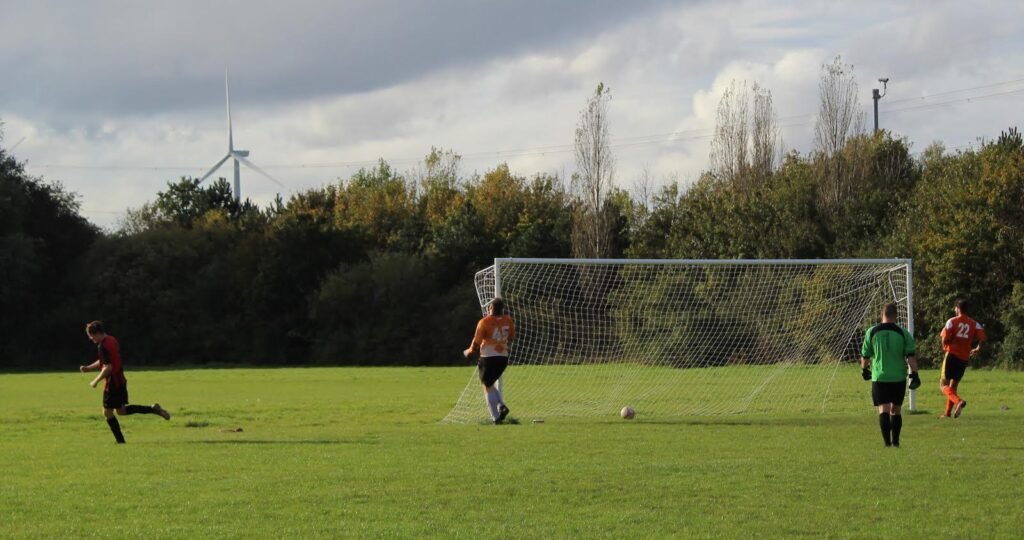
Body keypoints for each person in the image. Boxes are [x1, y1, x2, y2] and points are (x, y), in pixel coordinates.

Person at [79, 321, 171, 443]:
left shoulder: (102, 346)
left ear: (97, 333)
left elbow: (108, 367)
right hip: (121, 380)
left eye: (91, 336)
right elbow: (104, 361)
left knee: (107, 412)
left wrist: (95, 381)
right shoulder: (112, 339)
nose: (91, 339)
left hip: (112, 383)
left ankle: (120, 442)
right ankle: (154, 409)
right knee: (121, 411)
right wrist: (88, 368)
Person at [861, 303, 920, 447]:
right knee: (896, 409)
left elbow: (865, 355)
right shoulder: (903, 333)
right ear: (896, 316)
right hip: (898, 377)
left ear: (882, 314)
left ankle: (887, 443)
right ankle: (896, 441)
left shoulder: (871, 331)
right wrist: (915, 373)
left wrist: (864, 369)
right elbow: (910, 356)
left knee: (883, 409)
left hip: (879, 377)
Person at [463, 298, 515, 424]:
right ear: (502, 309)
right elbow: (512, 337)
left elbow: (477, 341)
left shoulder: (484, 322)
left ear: (491, 308)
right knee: (490, 383)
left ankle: (496, 417)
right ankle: (500, 408)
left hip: (488, 357)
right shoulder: (508, 320)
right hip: (503, 358)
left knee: (486, 386)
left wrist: (469, 351)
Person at [938, 298, 986, 419]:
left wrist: (948, 341)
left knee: (943, 385)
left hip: (952, 355)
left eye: (955, 308)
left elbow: (944, 338)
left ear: (958, 309)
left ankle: (958, 401)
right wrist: (977, 348)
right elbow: (982, 337)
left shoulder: (952, 321)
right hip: (964, 358)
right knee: (953, 386)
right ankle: (947, 413)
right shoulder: (974, 323)